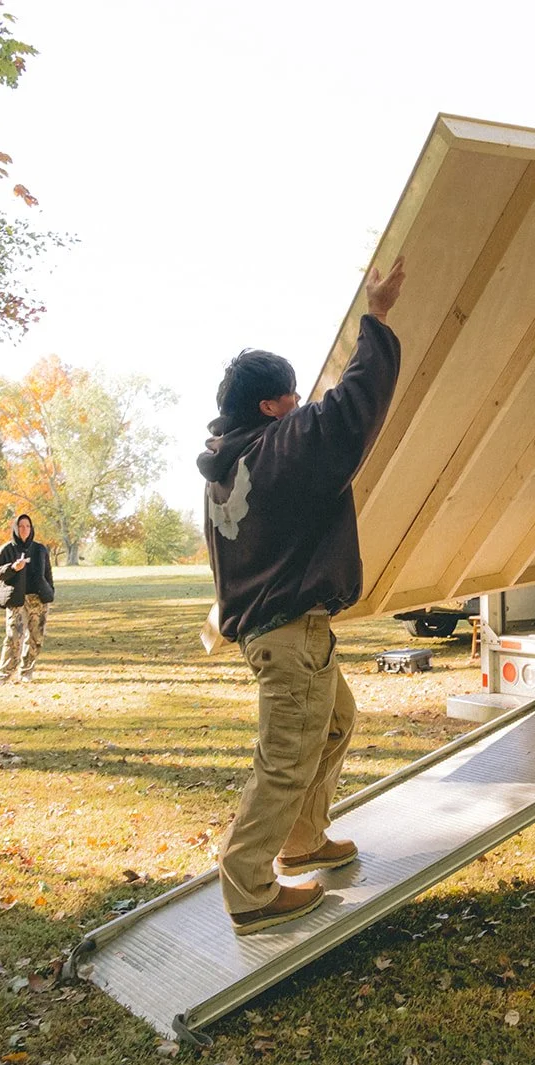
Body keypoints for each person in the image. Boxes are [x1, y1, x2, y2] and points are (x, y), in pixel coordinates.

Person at [198, 256, 405, 935]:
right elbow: (348, 414)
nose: (298, 402)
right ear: (268, 406)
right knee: (284, 762)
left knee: (337, 722)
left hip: (283, 634)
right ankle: (249, 887)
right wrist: (375, 318)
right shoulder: (279, 449)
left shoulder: (227, 470)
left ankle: (305, 838)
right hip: (288, 639)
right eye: (289, 394)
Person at [0, 513, 55, 684]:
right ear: (16, 529)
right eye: (21, 526)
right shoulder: (7, 549)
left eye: (27, 526)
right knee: (14, 637)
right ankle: (3, 675)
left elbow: (47, 573)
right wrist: (12, 567)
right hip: (17, 599)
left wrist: (50, 591)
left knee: (36, 637)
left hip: (38, 599)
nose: (24, 529)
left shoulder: (40, 549)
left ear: (31, 529)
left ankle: (27, 671)